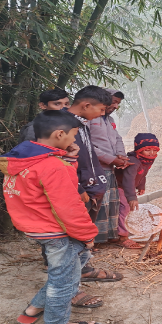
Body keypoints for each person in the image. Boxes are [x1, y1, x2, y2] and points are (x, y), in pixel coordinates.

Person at [0, 111, 96, 324]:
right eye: (73, 136)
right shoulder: (54, 166)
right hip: (57, 232)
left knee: (64, 273)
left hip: (35, 227)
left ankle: (33, 310)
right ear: (60, 134)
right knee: (65, 284)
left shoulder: (22, 160)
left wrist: (68, 158)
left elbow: (44, 186)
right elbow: (68, 207)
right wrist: (88, 235)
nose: (73, 141)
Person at [20, 87, 122, 284]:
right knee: (65, 239)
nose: (102, 114)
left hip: (90, 187)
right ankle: (64, 283)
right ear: (86, 105)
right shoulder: (55, 125)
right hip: (72, 191)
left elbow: (85, 155)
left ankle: (81, 270)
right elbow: (47, 164)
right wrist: (79, 189)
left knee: (78, 240)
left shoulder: (81, 123)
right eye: (101, 110)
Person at [88, 89, 131, 246]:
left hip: (110, 168)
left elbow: (118, 138)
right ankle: (92, 241)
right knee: (96, 205)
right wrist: (111, 159)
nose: (115, 106)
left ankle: (108, 236)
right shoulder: (89, 119)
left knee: (110, 204)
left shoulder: (109, 120)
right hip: (95, 168)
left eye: (118, 103)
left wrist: (120, 155)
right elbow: (89, 146)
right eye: (113, 102)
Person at [116, 133, 160, 239]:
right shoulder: (133, 161)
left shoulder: (146, 160)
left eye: (154, 150)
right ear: (139, 149)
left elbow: (142, 174)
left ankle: (126, 229)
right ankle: (122, 235)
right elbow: (128, 180)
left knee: (129, 209)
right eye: (148, 149)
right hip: (120, 187)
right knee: (126, 207)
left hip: (127, 188)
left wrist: (141, 186)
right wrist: (131, 197)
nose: (151, 153)